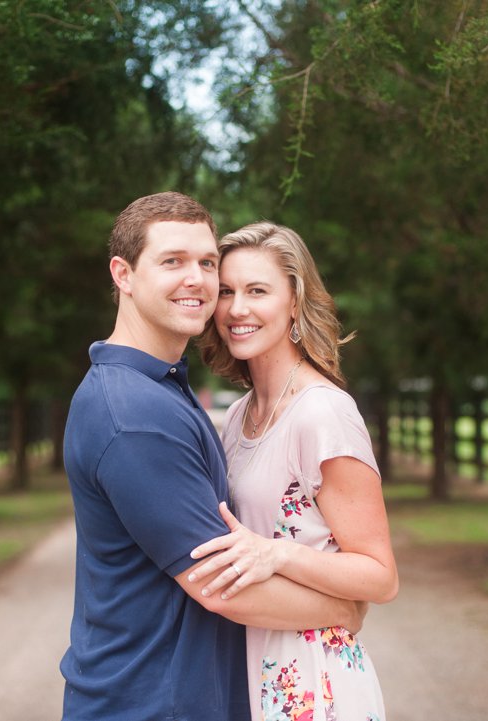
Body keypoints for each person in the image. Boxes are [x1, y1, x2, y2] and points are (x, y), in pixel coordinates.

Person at [60, 194, 367, 721]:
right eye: (172, 261)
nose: (197, 279)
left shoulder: (159, 389)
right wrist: (345, 607)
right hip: (152, 703)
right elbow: (221, 588)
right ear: (124, 274)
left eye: (206, 263)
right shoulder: (135, 415)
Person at [194, 221, 398, 721]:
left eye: (257, 291)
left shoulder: (323, 412)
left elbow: (380, 576)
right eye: (226, 291)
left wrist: (279, 553)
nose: (237, 309)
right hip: (248, 663)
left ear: (293, 301)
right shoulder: (240, 414)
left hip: (312, 680)